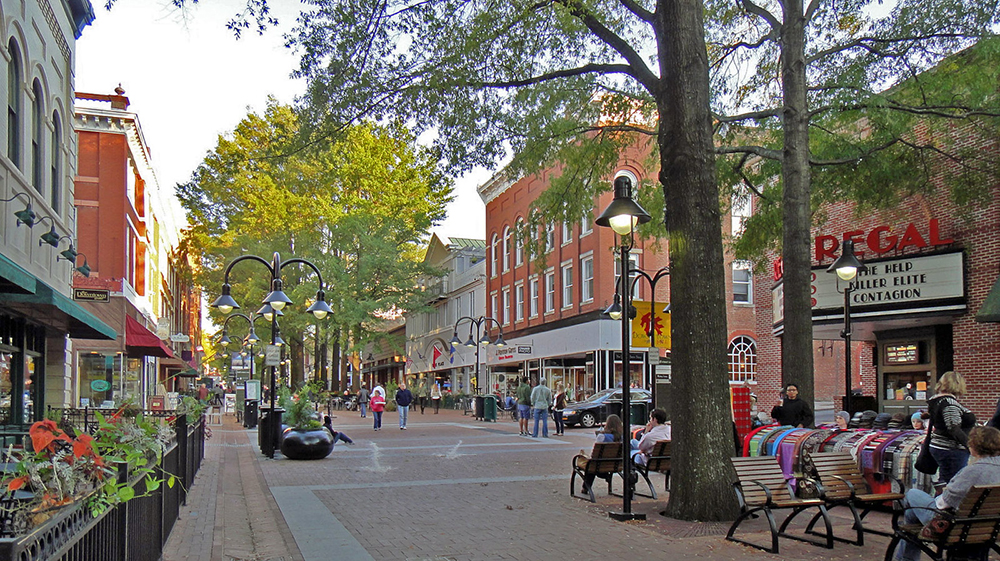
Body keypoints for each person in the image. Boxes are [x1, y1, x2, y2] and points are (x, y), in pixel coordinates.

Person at [894, 426, 1000, 561]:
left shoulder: (972, 471)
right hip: (990, 526)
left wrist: (942, 495)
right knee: (912, 513)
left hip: (955, 526)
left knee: (912, 494)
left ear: (973, 446)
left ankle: (905, 559)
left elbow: (943, 504)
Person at [928, 370, 976, 485]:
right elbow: (953, 428)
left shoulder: (937, 401)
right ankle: (945, 503)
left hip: (942, 447)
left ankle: (941, 501)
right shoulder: (949, 403)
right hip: (951, 449)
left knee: (945, 481)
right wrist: (970, 446)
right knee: (954, 483)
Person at [578, 414, 624, 493]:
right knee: (594, 465)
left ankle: (586, 487)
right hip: (617, 465)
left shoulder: (602, 436)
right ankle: (606, 476)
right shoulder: (623, 437)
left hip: (599, 465)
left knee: (591, 466)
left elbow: (594, 454)